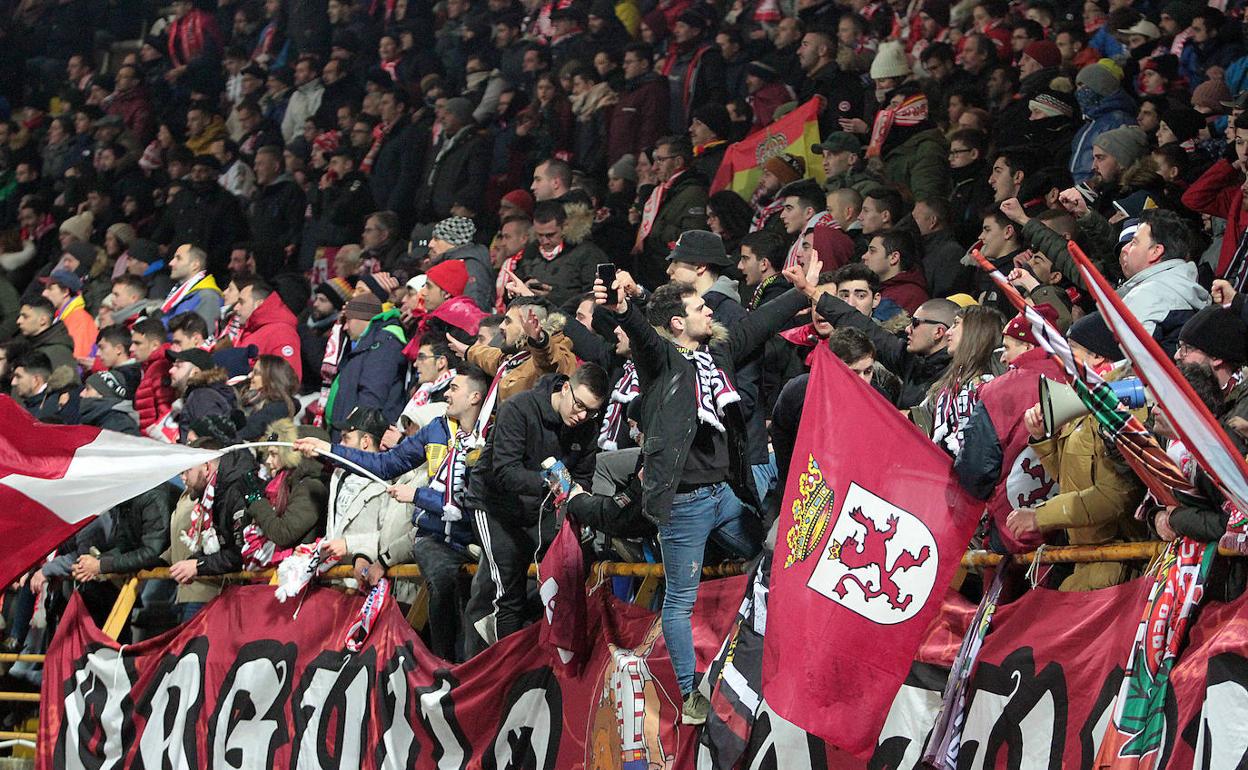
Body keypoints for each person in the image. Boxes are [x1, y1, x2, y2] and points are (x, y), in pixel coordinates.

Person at [595, 253, 821, 723]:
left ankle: (774, 658)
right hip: (683, 505)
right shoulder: (661, 362)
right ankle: (689, 695)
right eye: (700, 308)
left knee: (775, 560)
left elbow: (757, 324)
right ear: (678, 323)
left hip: (726, 496)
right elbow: (642, 335)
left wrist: (801, 293)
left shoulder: (716, 353)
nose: (710, 311)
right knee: (680, 600)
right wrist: (624, 309)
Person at [462, 363, 608, 653]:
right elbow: (504, 471)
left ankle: (537, 658)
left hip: (539, 510)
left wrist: (575, 496)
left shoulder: (587, 426)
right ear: (565, 388)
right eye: (579, 405)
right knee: (507, 589)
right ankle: (500, 666)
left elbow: (583, 479)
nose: (582, 416)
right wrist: (549, 482)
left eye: (591, 411)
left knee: (569, 574)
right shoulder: (518, 408)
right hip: (494, 505)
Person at [168, 440, 260, 622]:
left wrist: (198, 566)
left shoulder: (236, 491)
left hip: (242, 595)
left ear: (206, 467)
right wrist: (193, 561)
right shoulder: (216, 494)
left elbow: (243, 551)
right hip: (227, 592)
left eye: (187, 470)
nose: (183, 478)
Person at [631, 136, 708, 290]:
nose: (654, 167)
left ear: (678, 162)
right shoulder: (663, 191)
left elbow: (692, 239)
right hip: (655, 275)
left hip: (671, 278)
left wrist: (656, 231)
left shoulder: (693, 193)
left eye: (660, 160)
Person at [327, 294, 408, 431]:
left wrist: (355, 430)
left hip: (360, 433)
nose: (345, 327)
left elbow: (372, 395)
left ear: (362, 318)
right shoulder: (367, 343)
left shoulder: (384, 344)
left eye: (348, 320)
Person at [515, 200, 604, 308]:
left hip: (571, 315)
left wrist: (553, 296)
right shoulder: (531, 251)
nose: (545, 241)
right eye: (539, 235)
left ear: (565, 226)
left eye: (550, 235)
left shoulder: (587, 253)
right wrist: (523, 286)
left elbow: (595, 297)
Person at [234, 278, 302, 378]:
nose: (236, 308)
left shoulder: (281, 333)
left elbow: (286, 379)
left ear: (258, 304)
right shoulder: (251, 329)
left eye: (242, 302)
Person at [169, 347, 237, 441]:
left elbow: (210, 441)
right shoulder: (202, 395)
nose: (171, 370)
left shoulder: (202, 397)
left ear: (195, 372)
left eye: (178, 366)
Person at [159, 244, 225, 329]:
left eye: (178, 258)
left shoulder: (208, 297)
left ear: (195, 265)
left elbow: (203, 334)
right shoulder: (180, 291)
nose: (171, 263)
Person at [40, 268, 98, 360]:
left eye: (50, 288)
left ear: (65, 292)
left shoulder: (79, 319)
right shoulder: (62, 316)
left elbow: (79, 358)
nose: (44, 293)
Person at [238, 354, 299, 441]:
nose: (251, 376)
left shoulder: (279, 407)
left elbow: (251, 429)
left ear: (271, 378)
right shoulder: (247, 396)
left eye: (257, 373)